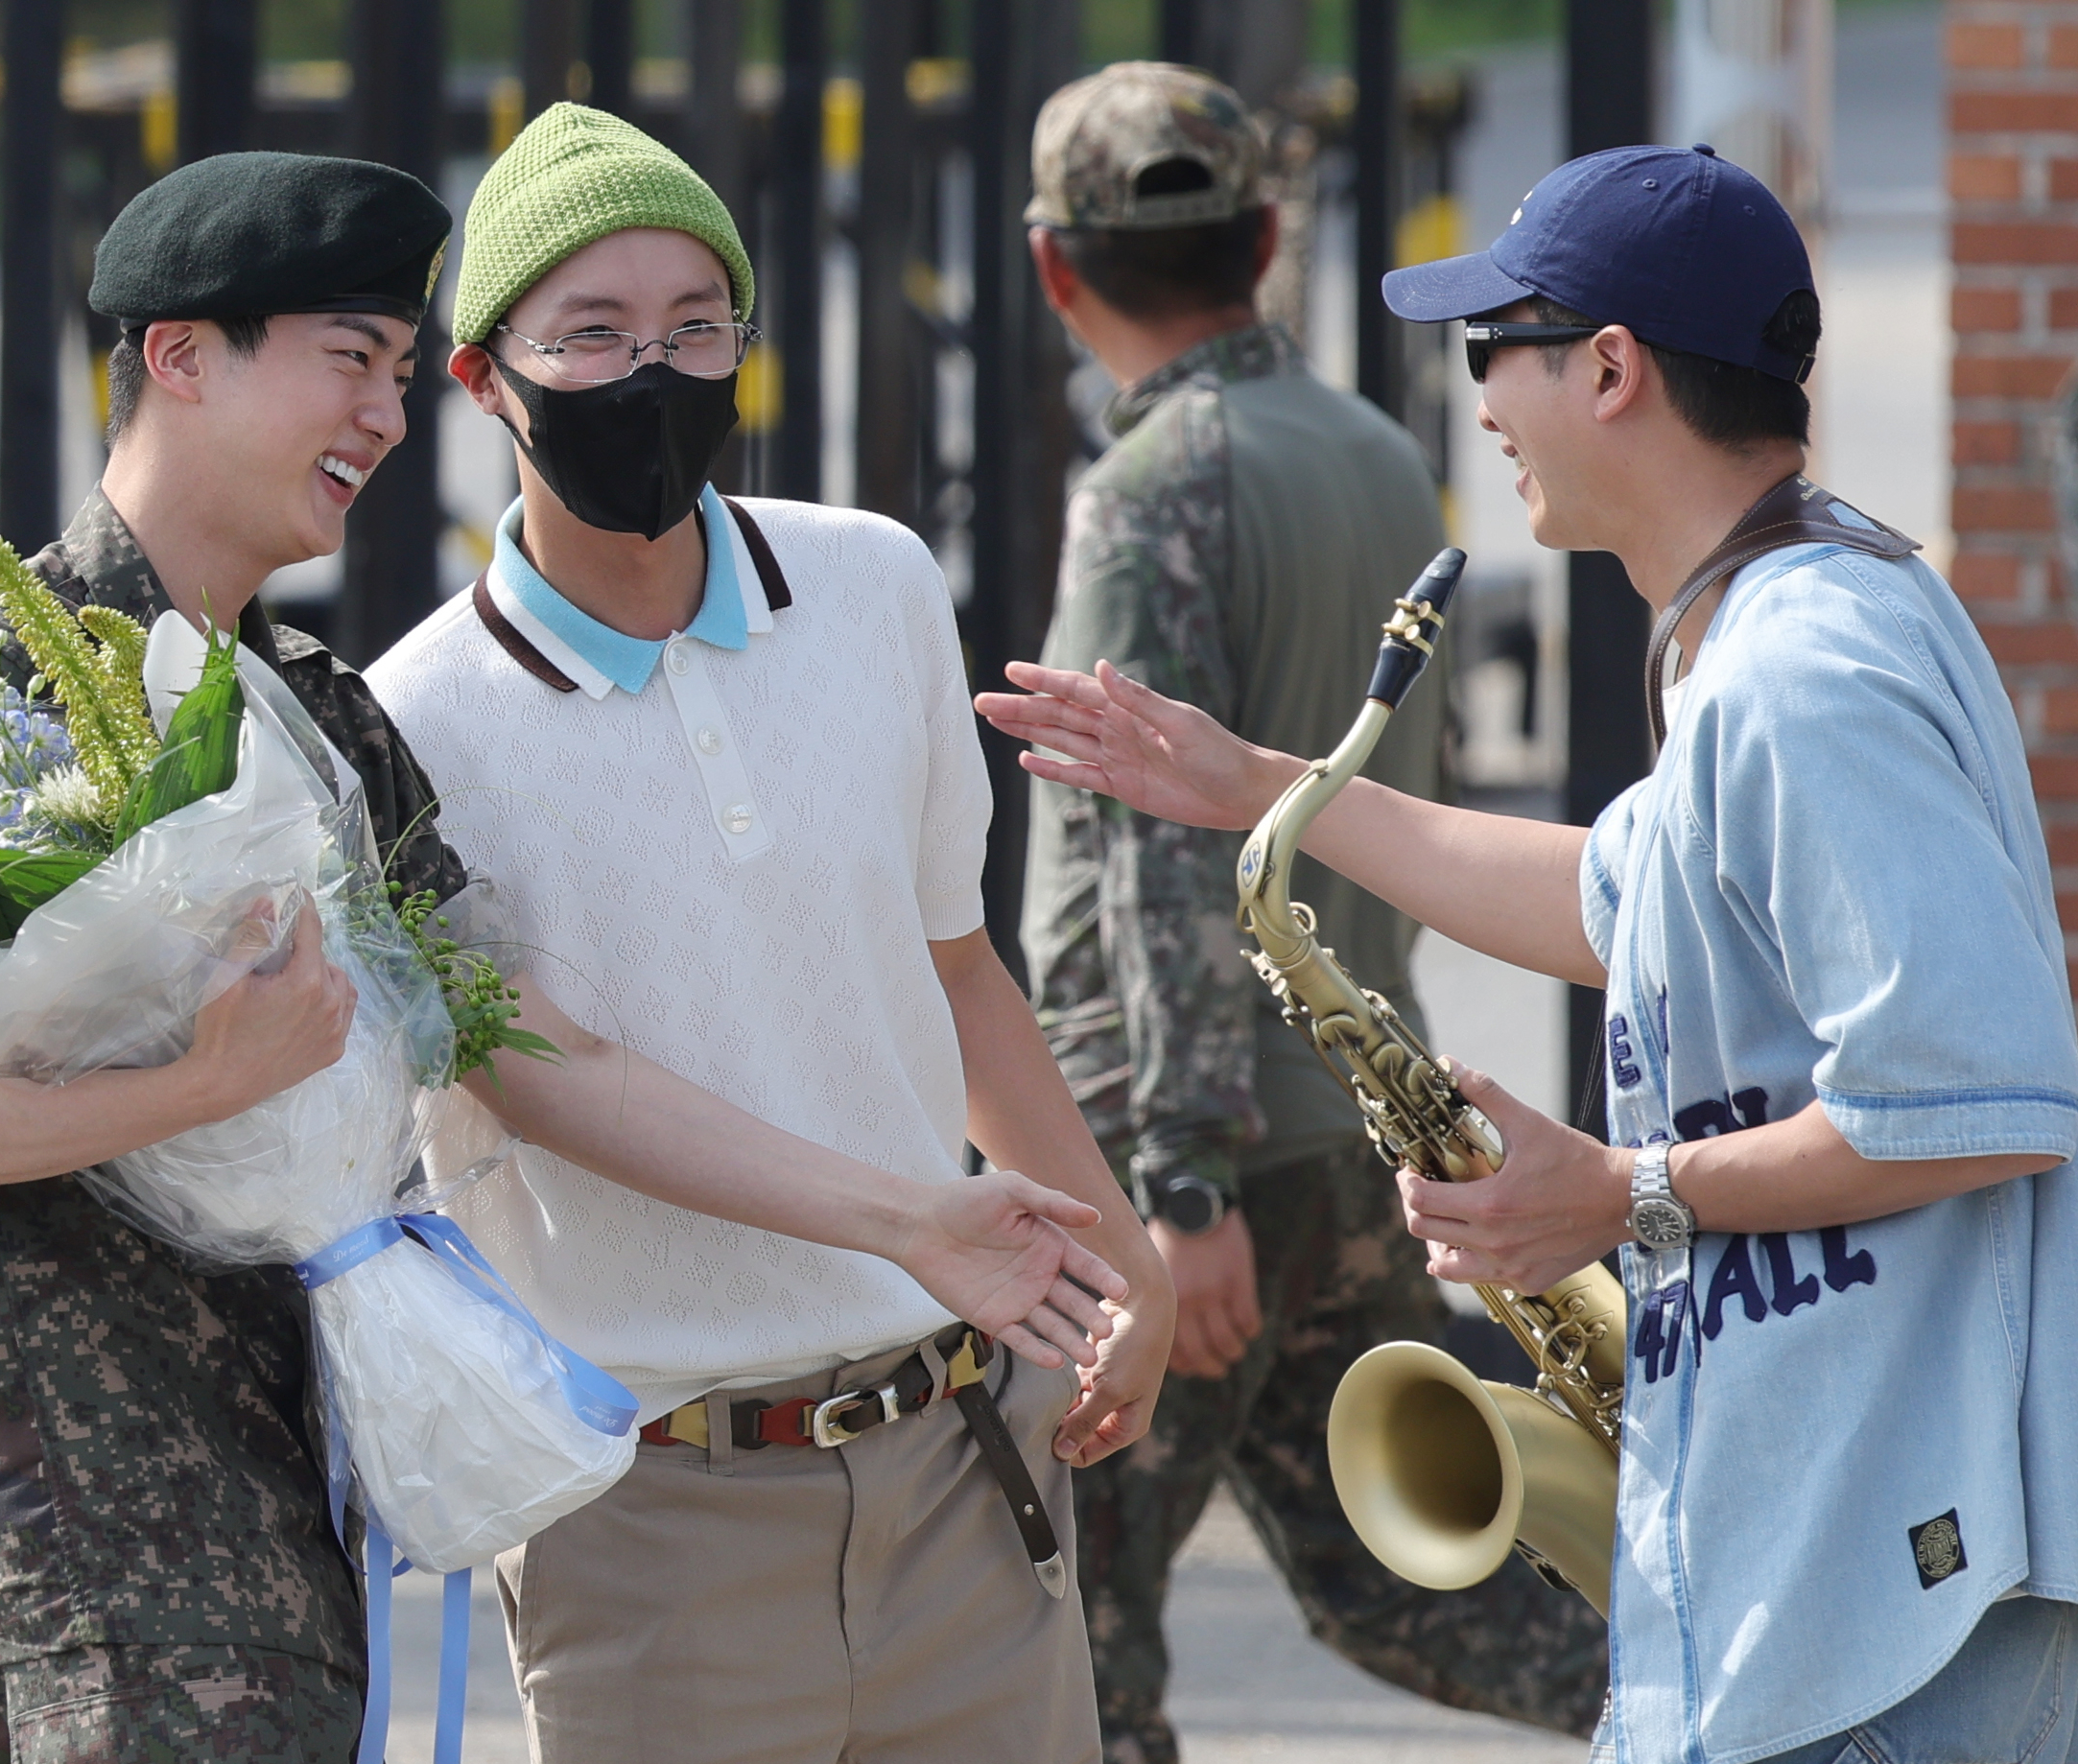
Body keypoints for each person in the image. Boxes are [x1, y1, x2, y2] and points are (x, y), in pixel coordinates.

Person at [0, 150, 1125, 1764]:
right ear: (181, 355)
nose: (379, 418)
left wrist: (917, 1216)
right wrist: (210, 1078)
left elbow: (537, 1053)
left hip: (295, 1499)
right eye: (344, 361)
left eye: (392, 370)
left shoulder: (321, 720)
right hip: (98, 1518)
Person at [978, 141, 2078, 1764]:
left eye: (1498, 347)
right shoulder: (1780, 612)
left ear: (1613, 368)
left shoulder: (1803, 670)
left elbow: (1979, 1098)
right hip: (1835, 1573)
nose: (1479, 397)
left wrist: (1616, 1195)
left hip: (1889, 1605)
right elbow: (1613, 892)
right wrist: (1260, 787)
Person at [366, 103, 1175, 1764]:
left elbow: (955, 966)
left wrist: (1125, 1258)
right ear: (481, 378)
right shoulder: (409, 723)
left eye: (694, 327)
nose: (650, 375)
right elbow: (530, 1072)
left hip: (964, 1459)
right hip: (643, 1511)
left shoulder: (875, 586)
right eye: (589, 335)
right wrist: (911, 1217)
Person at [1015, 62, 1608, 1756]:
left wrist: (1175, 1184)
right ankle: (1708, 1714)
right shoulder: (1370, 453)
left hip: (1175, 1147)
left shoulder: (1149, 485)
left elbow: (1153, 844)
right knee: (1409, 1580)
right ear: (1268, 238)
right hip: (1339, 1117)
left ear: (1057, 267)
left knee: (1076, 1607)